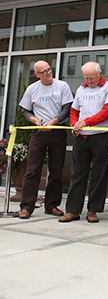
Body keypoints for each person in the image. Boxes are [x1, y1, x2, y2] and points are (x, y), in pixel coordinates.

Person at [59, 62, 108, 223]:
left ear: (100, 74)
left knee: (99, 174)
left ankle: (93, 210)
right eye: (86, 77)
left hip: (101, 136)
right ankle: (72, 210)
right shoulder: (80, 89)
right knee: (77, 173)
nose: (89, 80)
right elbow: (74, 111)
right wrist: (74, 123)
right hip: (82, 137)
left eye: (92, 77)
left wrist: (85, 122)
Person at [17, 60, 73, 219]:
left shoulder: (62, 86)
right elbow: (25, 111)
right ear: (37, 75)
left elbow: (67, 108)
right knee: (32, 170)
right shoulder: (32, 89)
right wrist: (34, 120)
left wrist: (54, 121)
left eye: (49, 69)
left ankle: (52, 205)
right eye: (44, 71)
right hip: (38, 133)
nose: (49, 73)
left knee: (56, 170)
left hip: (58, 131)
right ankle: (26, 206)